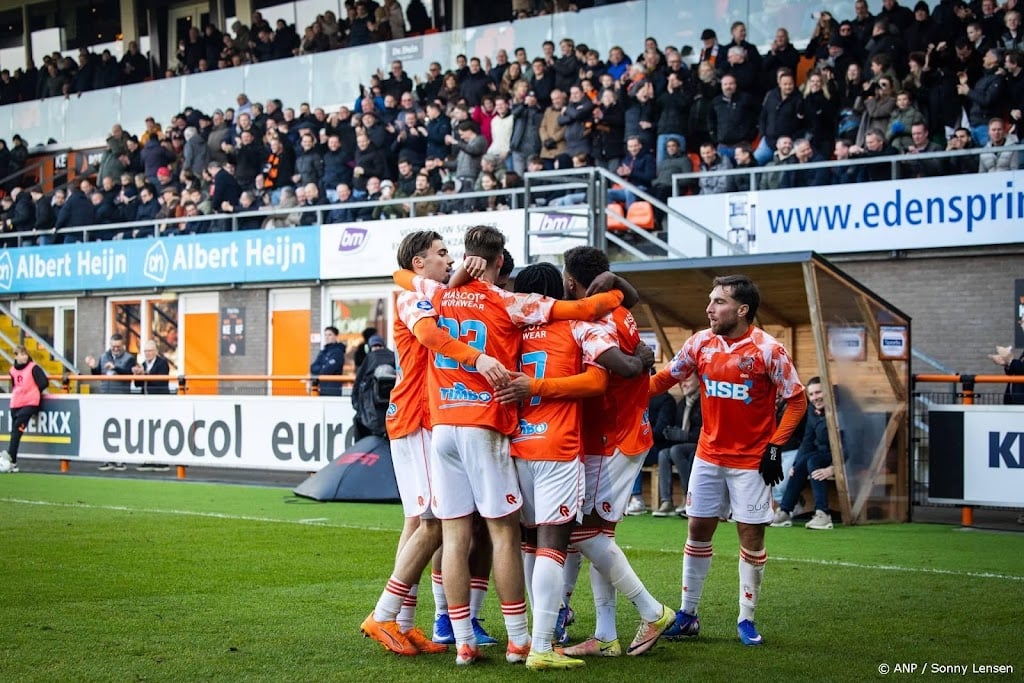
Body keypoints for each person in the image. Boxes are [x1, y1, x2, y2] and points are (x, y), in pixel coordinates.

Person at [393, 226, 628, 666]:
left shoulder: (430, 293)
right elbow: (584, 309)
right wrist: (617, 293)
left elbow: (402, 281)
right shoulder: (510, 302)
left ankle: (461, 637)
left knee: (454, 533)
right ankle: (521, 639)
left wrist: (453, 277)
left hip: (441, 423)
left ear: (465, 256)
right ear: (501, 262)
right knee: (506, 533)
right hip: (489, 424)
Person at [361, 231, 509, 658]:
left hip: (424, 416)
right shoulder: (412, 296)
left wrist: (463, 275)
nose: (449, 259)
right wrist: (479, 358)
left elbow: (447, 292)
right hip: (418, 416)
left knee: (421, 521)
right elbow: (429, 334)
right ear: (419, 264)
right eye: (441, 254)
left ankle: (403, 624)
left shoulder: (433, 292)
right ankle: (385, 614)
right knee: (432, 523)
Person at [650, 274, 806, 646]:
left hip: (751, 463)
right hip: (707, 457)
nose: (709, 308)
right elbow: (663, 380)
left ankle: (746, 619)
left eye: (718, 301)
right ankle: (688, 614)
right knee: (697, 531)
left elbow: (796, 400)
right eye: (710, 300)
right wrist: (622, 391)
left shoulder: (768, 350)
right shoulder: (700, 343)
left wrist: (774, 447)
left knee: (751, 536)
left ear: (742, 309)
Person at [557, 246, 675, 660]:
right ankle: (605, 635)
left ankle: (651, 610)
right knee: (598, 537)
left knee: (582, 533)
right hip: (614, 435)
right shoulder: (621, 308)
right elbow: (632, 303)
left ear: (571, 280)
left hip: (613, 438)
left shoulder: (595, 318)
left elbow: (624, 367)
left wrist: (639, 362)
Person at [770, 377, 836, 529]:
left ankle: (823, 514)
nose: (815, 398)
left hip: (842, 457)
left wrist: (834, 468)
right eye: (811, 394)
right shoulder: (813, 411)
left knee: (812, 462)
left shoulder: (840, 410)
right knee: (803, 463)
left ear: (828, 392)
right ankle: (785, 511)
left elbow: (849, 444)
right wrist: (795, 465)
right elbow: (807, 440)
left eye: (818, 392)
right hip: (823, 453)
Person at [653, 373, 702, 517]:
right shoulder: (682, 403)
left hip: (700, 446)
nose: (683, 384)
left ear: (699, 381)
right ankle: (667, 501)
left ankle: (689, 499)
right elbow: (675, 429)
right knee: (664, 453)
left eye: (687, 379)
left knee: (676, 451)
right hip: (682, 446)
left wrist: (686, 436)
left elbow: (707, 432)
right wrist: (670, 433)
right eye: (681, 381)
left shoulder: (704, 403)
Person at [85, 333, 137, 471]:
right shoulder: (104, 356)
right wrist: (93, 367)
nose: (115, 349)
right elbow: (98, 374)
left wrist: (115, 368)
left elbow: (128, 374)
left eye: (118, 347)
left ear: (123, 346)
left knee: (120, 429)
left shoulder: (129, 358)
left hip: (121, 398)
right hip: (105, 397)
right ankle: (107, 458)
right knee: (106, 428)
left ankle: (120, 459)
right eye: (113, 346)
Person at [0, 346, 49, 474]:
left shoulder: (33, 367)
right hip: (16, 403)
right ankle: (13, 462)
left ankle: (9, 456)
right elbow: (14, 385)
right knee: (15, 432)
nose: (24, 356)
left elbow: (44, 382)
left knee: (17, 427)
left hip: (30, 402)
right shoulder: (12, 370)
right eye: (21, 354)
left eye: (25, 354)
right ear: (16, 356)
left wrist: (33, 392)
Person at [132, 340, 172, 472]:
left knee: (159, 431)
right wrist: (137, 375)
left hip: (159, 402)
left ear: (156, 351)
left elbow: (160, 381)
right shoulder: (143, 365)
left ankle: (161, 461)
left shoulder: (162, 363)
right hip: (146, 403)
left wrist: (145, 375)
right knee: (147, 431)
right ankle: (148, 459)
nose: (147, 353)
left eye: (150, 351)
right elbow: (138, 385)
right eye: (145, 351)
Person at [351, 335, 396, 440]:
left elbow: (358, 384)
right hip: (393, 412)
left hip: (371, 414)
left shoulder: (369, 359)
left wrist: (357, 406)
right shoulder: (393, 357)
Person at [310, 326, 346, 397]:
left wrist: (321, 368)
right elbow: (312, 367)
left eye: (330, 335)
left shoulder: (338, 352)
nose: (327, 337)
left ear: (336, 336)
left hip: (333, 389)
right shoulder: (323, 351)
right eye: (325, 335)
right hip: (322, 387)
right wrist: (323, 367)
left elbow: (327, 370)